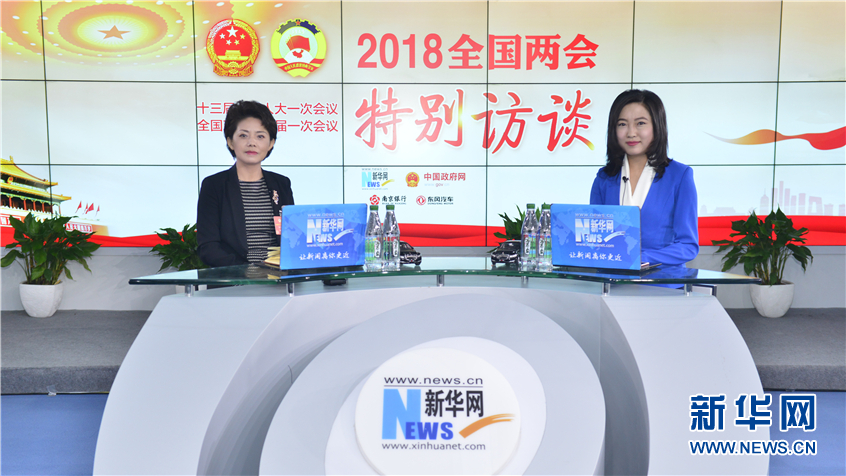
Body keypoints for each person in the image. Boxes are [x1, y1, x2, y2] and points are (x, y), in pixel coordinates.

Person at [589, 89, 698, 267]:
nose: (631, 133)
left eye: (640, 123)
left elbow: (688, 246)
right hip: (614, 280)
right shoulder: (604, 178)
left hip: (664, 280)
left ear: (657, 126)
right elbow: (596, 240)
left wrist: (641, 258)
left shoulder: (680, 176)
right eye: (622, 124)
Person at [197, 100, 294, 267]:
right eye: (243, 135)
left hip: (277, 276)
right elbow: (208, 246)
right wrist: (247, 271)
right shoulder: (214, 185)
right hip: (235, 278)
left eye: (260, 136)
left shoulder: (281, 184)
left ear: (271, 143)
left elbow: (291, 237)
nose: (252, 142)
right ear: (230, 141)